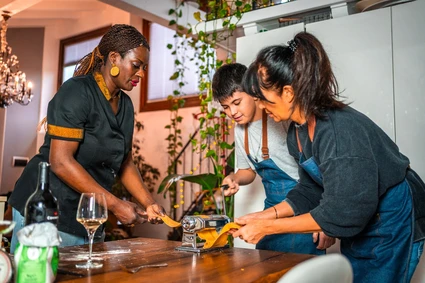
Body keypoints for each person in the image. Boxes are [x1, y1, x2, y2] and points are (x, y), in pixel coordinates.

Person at [232, 31, 425, 282]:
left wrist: (268, 228)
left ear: (288, 93)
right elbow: (309, 190)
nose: (259, 106)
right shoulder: (298, 131)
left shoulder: (337, 131)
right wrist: (263, 216)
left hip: (392, 218)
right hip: (364, 219)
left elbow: (341, 214)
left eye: (263, 99)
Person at [8, 24, 165, 252]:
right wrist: (116, 205)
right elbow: (61, 161)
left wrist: (149, 203)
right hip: (47, 210)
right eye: (136, 65)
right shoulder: (76, 93)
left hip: (87, 216)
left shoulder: (126, 106)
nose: (141, 73)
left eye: (144, 68)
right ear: (114, 58)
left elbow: (125, 162)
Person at [212, 63, 334, 255]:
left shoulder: (282, 118)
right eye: (226, 107)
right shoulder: (239, 129)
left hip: (304, 205)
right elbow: (248, 171)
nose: (232, 112)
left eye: (237, 103)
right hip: (272, 207)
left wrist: (322, 220)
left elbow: (319, 175)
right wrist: (235, 178)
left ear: (253, 93)